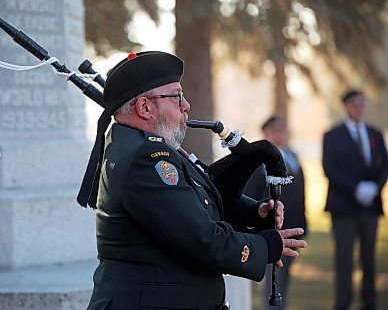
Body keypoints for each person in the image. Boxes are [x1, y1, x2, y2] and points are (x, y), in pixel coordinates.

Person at [78, 51, 307, 310]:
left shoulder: (148, 149)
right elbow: (202, 239)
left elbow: (198, 199)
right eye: (176, 96)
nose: (185, 105)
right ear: (144, 107)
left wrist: (254, 212)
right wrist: (265, 246)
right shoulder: (147, 158)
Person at [322, 89, 387, 310]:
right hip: (343, 207)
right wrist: (355, 189)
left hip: (370, 207)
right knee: (344, 259)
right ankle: (343, 303)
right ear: (347, 107)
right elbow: (330, 169)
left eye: (362, 104)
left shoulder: (375, 134)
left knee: (369, 258)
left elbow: (384, 165)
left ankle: (369, 302)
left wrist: (374, 188)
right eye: (354, 104)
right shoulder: (332, 136)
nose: (359, 108)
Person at [244, 116, 308, 310]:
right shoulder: (259, 160)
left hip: (293, 226)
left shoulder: (292, 156)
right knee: (274, 281)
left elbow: (300, 193)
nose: (280, 134)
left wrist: (304, 225)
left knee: (285, 279)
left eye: (283, 130)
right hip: (270, 230)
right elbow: (250, 195)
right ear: (266, 133)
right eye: (276, 130)